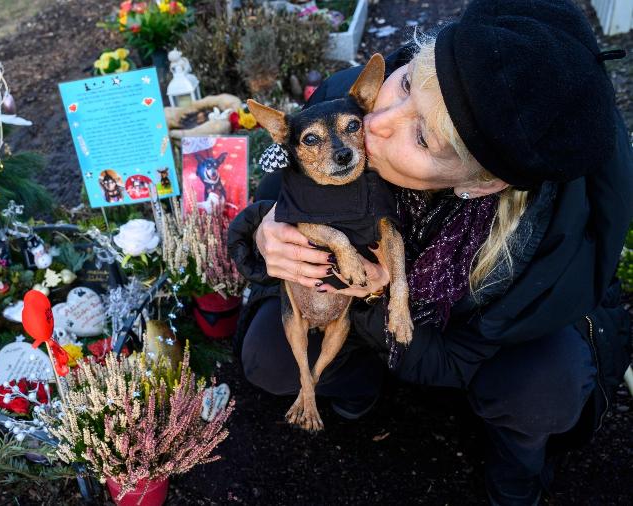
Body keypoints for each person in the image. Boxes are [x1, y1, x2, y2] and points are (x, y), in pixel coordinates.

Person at [226, 0, 633, 504]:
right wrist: (264, 229)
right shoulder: (356, 102)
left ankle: (517, 468)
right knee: (269, 355)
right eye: (405, 86)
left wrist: (379, 296)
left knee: (544, 385)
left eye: (421, 135)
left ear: (482, 185)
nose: (374, 126)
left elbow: (455, 360)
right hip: (375, 311)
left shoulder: (546, 249)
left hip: (472, 344)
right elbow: (280, 181)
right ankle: (358, 390)